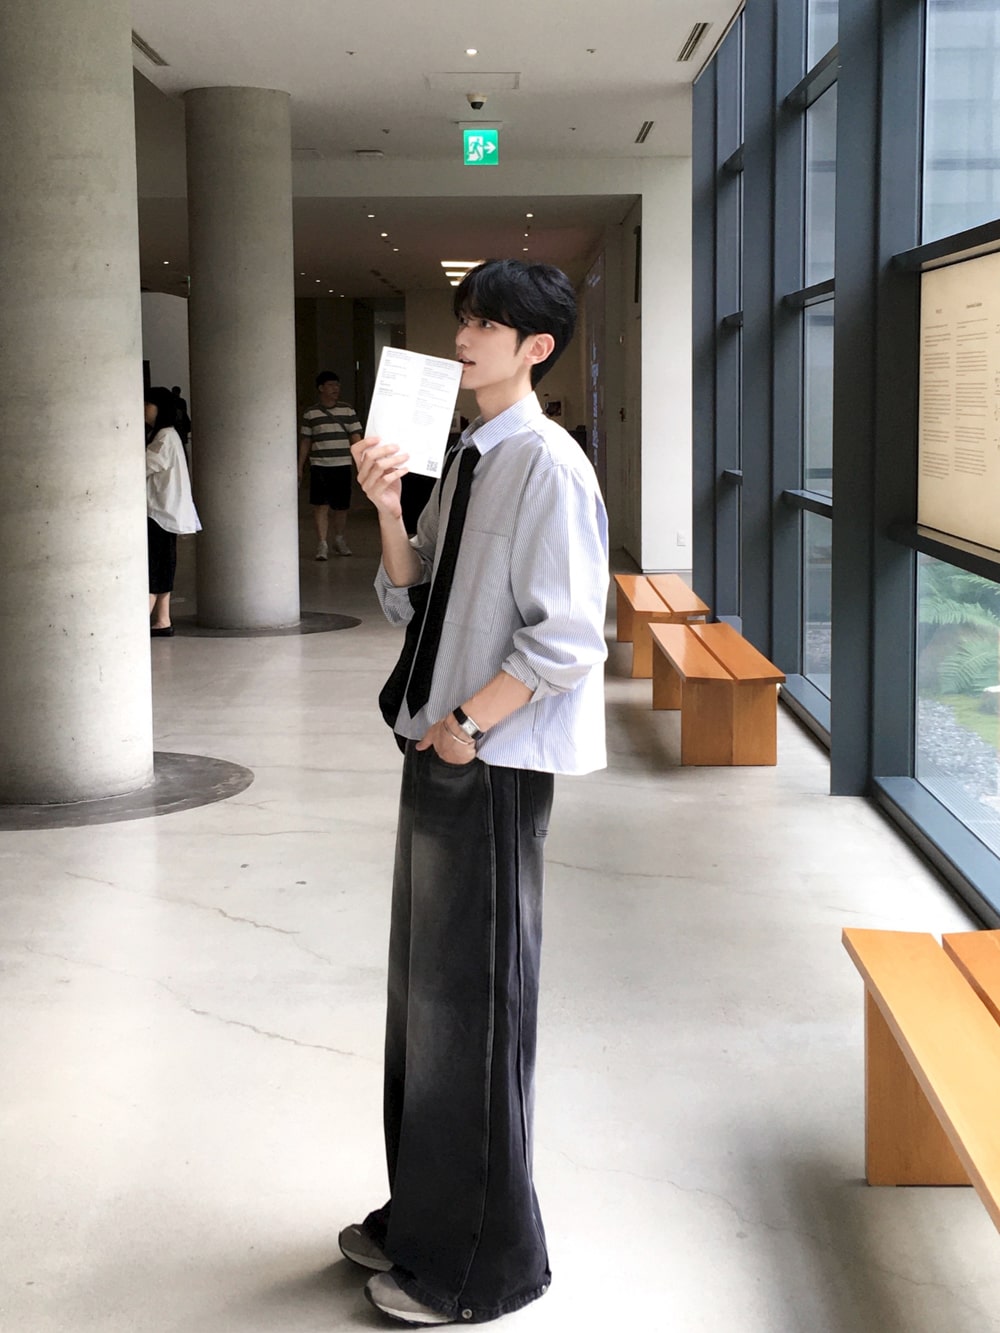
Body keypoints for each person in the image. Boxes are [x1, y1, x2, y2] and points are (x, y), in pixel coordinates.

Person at [344, 260, 609, 1326]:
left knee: (476, 1012)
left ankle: (479, 1267)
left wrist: (469, 726)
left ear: (535, 348)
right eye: (465, 319)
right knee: (425, 1005)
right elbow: (417, 595)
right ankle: (423, 1216)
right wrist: (386, 505)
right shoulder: (471, 452)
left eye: (487, 324)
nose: (464, 337)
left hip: (486, 762)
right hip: (437, 744)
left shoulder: (548, 465)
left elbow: (568, 639)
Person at [145, 386, 201, 636]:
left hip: (158, 513)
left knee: (155, 570)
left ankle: (137, 625)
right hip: (166, 514)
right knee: (164, 567)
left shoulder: (164, 437)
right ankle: (163, 620)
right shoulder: (170, 435)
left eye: (148, 404)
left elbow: (142, 466)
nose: (143, 409)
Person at [298, 371, 362, 558]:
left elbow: (356, 438)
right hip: (319, 465)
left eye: (337, 385)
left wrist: (361, 463)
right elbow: (306, 441)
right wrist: (300, 466)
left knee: (341, 506)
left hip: (342, 464)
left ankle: (339, 539)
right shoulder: (311, 413)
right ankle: (322, 544)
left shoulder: (347, 411)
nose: (336, 389)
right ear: (321, 388)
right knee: (321, 505)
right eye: (331, 385)